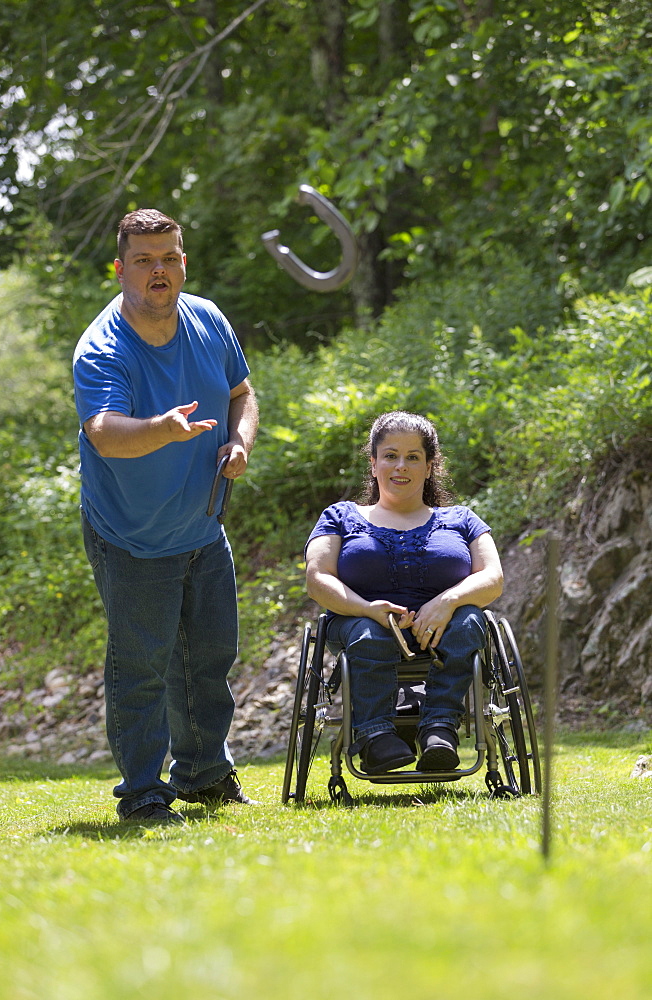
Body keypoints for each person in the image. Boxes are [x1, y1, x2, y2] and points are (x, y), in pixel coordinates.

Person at [73, 208, 259, 824]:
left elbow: (241, 394)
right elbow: (103, 433)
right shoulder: (104, 348)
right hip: (131, 532)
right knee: (143, 666)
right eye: (145, 259)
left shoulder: (207, 319)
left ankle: (204, 774)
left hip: (203, 526)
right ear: (121, 267)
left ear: (184, 260)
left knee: (208, 659)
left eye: (169, 256)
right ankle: (142, 792)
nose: (159, 269)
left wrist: (239, 442)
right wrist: (163, 428)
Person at [305, 411, 503, 775]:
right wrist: (366, 608)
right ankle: (375, 736)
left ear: (429, 466)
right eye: (391, 455)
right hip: (357, 624)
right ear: (374, 463)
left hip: (445, 629)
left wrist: (448, 601)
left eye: (414, 457)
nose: (401, 466)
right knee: (369, 634)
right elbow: (318, 578)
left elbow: (493, 577)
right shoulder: (340, 517)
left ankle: (439, 728)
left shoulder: (461, 518)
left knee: (470, 620)